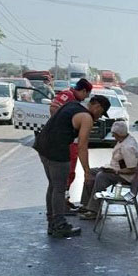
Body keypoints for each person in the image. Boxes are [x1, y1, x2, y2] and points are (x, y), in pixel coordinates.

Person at [33, 95, 111, 237]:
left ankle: (52, 223)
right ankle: (59, 225)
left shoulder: (72, 105)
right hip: (57, 151)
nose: (99, 117)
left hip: (42, 146)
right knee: (59, 189)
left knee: (53, 186)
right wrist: (87, 171)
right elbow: (82, 146)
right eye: (101, 113)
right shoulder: (86, 118)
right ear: (97, 106)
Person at [77, 120, 138, 219]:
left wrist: (116, 171)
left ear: (118, 134)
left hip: (125, 175)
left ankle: (94, 210)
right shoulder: (123, 140)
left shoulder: (128, 147)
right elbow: (123, 161)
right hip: (120, 169)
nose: (113, 136)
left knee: (101, 177)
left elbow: (132, 169)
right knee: (90, 172)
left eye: (114, 134)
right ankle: (86, 205)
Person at [49, 78, 94, 208]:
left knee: (70, 172)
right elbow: (53, 109)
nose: (85, 98)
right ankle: (61, 204)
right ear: (83, 90)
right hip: (66, 141)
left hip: (68, 140)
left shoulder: (71, 98)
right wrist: (65, 125)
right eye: (86, 94)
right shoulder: (67, 95)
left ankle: (65, 199)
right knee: (66, 172)